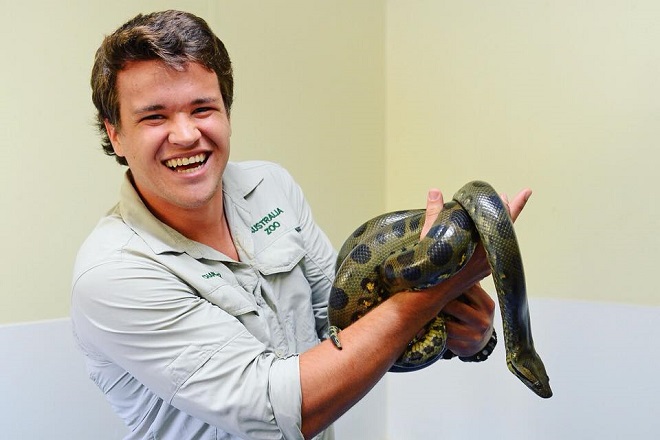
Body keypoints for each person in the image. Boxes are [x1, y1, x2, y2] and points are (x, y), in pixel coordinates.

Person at [71, 9, 531, 440]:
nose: (187, 134)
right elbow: (277, 409)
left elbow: (348, 329)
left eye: (202, 108)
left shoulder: (270, 186)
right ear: (115, 134)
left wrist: (471, 338)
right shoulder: (113, 272)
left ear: (227, 112)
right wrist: (435, 290)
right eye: (154, 116)